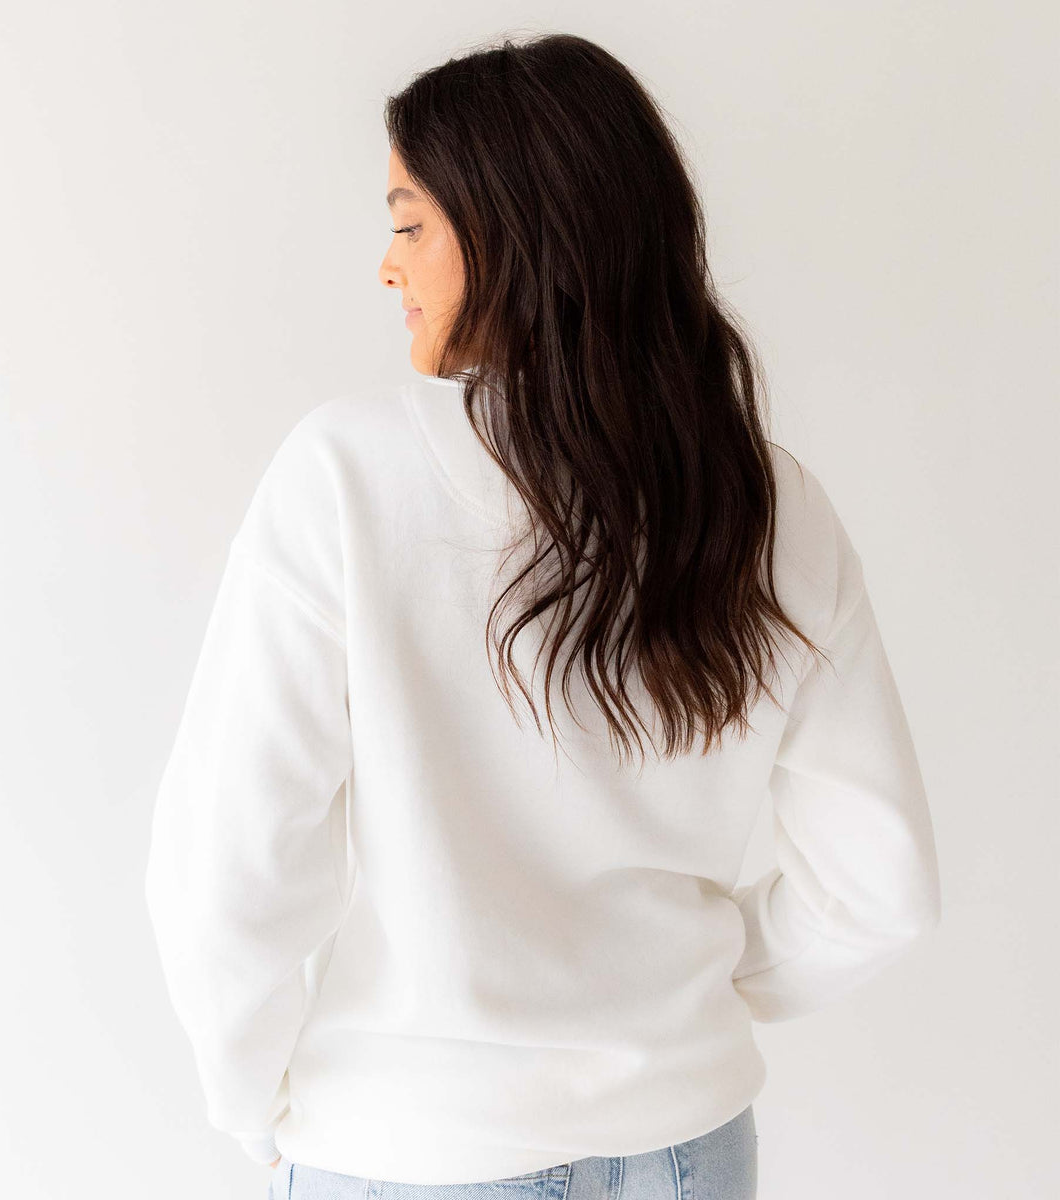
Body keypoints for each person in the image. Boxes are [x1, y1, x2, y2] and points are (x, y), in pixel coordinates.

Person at [144, 32, 941, 1200]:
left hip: (413, 1152)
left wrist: (253, 1107)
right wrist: (693, 988)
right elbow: (882, 887)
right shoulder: (763, 504)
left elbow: (229, 867)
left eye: (409, 224)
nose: (385, 267)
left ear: (517, 237)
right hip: (691, 1145)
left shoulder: (346, 477)